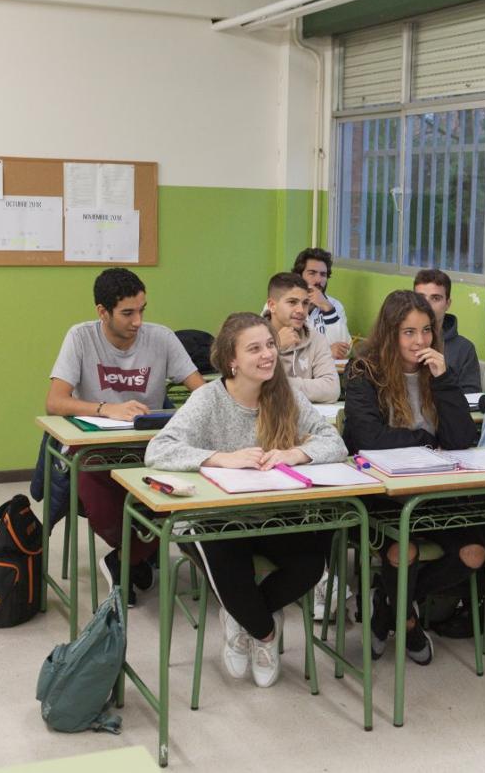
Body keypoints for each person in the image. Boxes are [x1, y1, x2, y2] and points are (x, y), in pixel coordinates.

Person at [145, 313, 345, 687]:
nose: (267, 354)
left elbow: (333, 441)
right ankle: (266, 633)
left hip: (273, 514)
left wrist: (294, 455)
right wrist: (220, 457)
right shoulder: (209, 399)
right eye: (254, 348)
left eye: (270, 345)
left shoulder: (285, 394)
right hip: (217, 518)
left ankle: (241, 618)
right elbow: (159, 449)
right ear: (231, 360)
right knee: (226, 562)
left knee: (310, 563)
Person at [46, 267, 204, 605]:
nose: (137, 321)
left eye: (143, 310)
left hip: (149, 446)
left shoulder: (160, 338)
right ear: (102, 312)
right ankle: (133, 557)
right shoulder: (81, 337)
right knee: (97, 485)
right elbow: (55, 401)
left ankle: (122, 561)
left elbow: (201, 393)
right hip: (95, 447)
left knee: (182, 494)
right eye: (128, 313)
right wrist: (105, 408)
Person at [342, 290, 482, 665]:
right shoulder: (363, 371)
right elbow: (369, 439)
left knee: (474, 553)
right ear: (390, 334)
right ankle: (407, 622)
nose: (420, 341)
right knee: (402, 550)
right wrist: (424, 439)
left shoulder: (436, 373)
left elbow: (461, 439)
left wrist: (444, 381)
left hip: (434, 489)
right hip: (381, 492)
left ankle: (388, 607)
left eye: (426, 331)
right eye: (409, 332)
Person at [264, 272, 339, 403]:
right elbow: (252, 385)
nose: (301, 310)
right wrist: (276, 346)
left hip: (305, 419)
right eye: (292, 302)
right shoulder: (252, 337)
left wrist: (279, 384)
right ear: (272, 306)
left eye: (305, 303)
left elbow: (332, 389)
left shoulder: (316, 339)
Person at [413, 268, 481, 395]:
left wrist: (444, 376)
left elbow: (471, 399)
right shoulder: (401, 342)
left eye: (435, 298)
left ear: (447, 303)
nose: (427, 305)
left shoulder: (464, 348)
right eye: (420, 298)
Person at [292, 248, 351, 360]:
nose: (318, 280)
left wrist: (327, 309)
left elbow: (343, 350)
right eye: (312, 273)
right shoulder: (282, 303)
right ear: (299, 276)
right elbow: (280, 349)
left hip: (328, 374)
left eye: (323, 274)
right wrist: (327, 352)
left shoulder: (334, 305)